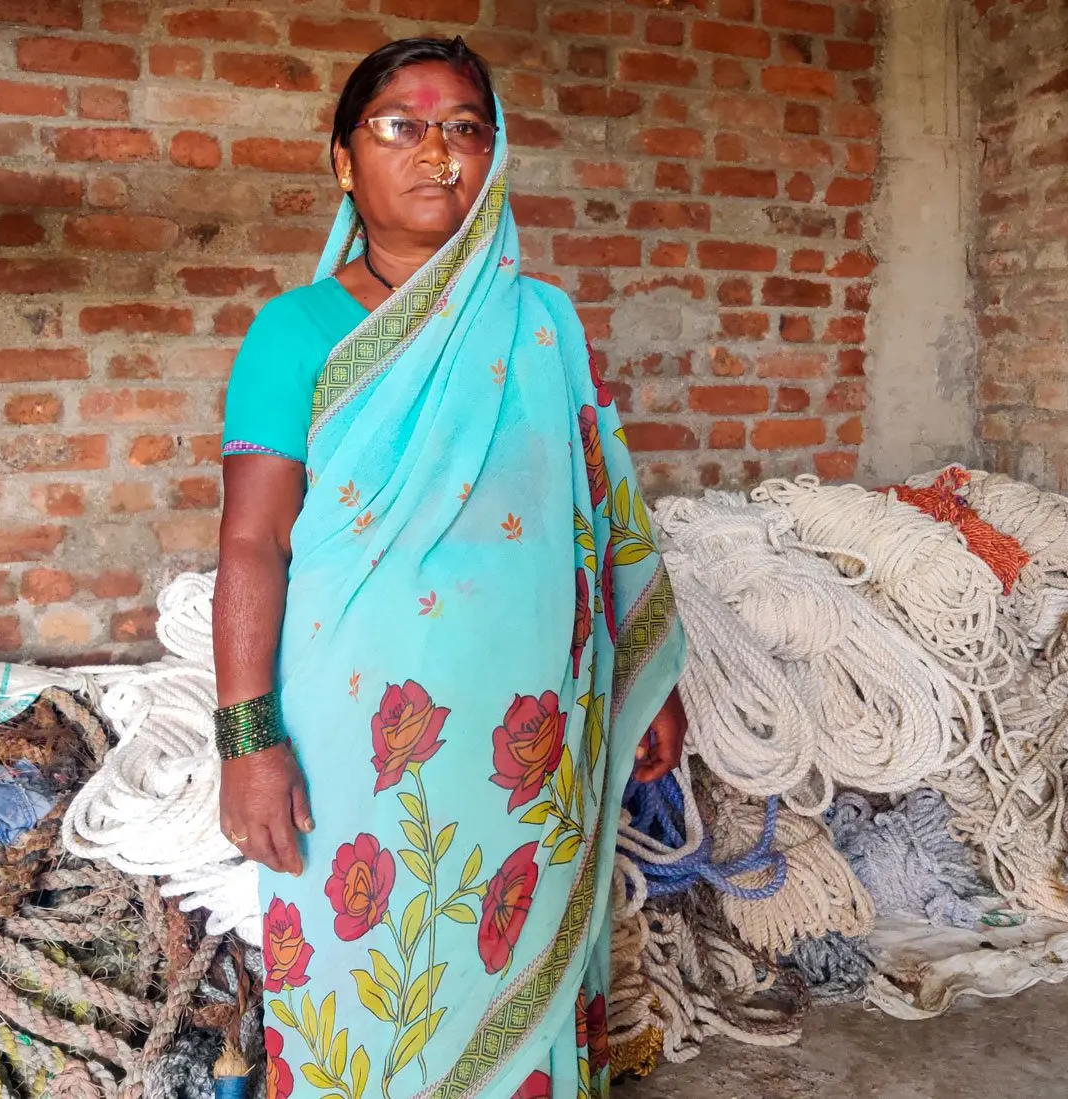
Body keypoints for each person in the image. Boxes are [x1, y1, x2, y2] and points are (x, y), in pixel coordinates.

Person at [214, 36, 687, 1099]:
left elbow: (600, 508)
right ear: (343, 160)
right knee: (366, 980)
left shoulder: (542, 323)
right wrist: (247, 740)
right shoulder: (293, 334)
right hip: (361, 739)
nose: (439, 154)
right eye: (402, 126)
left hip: (535, 734)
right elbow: (249, 541)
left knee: (518, 971)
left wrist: (648, 675)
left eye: (466, 129)